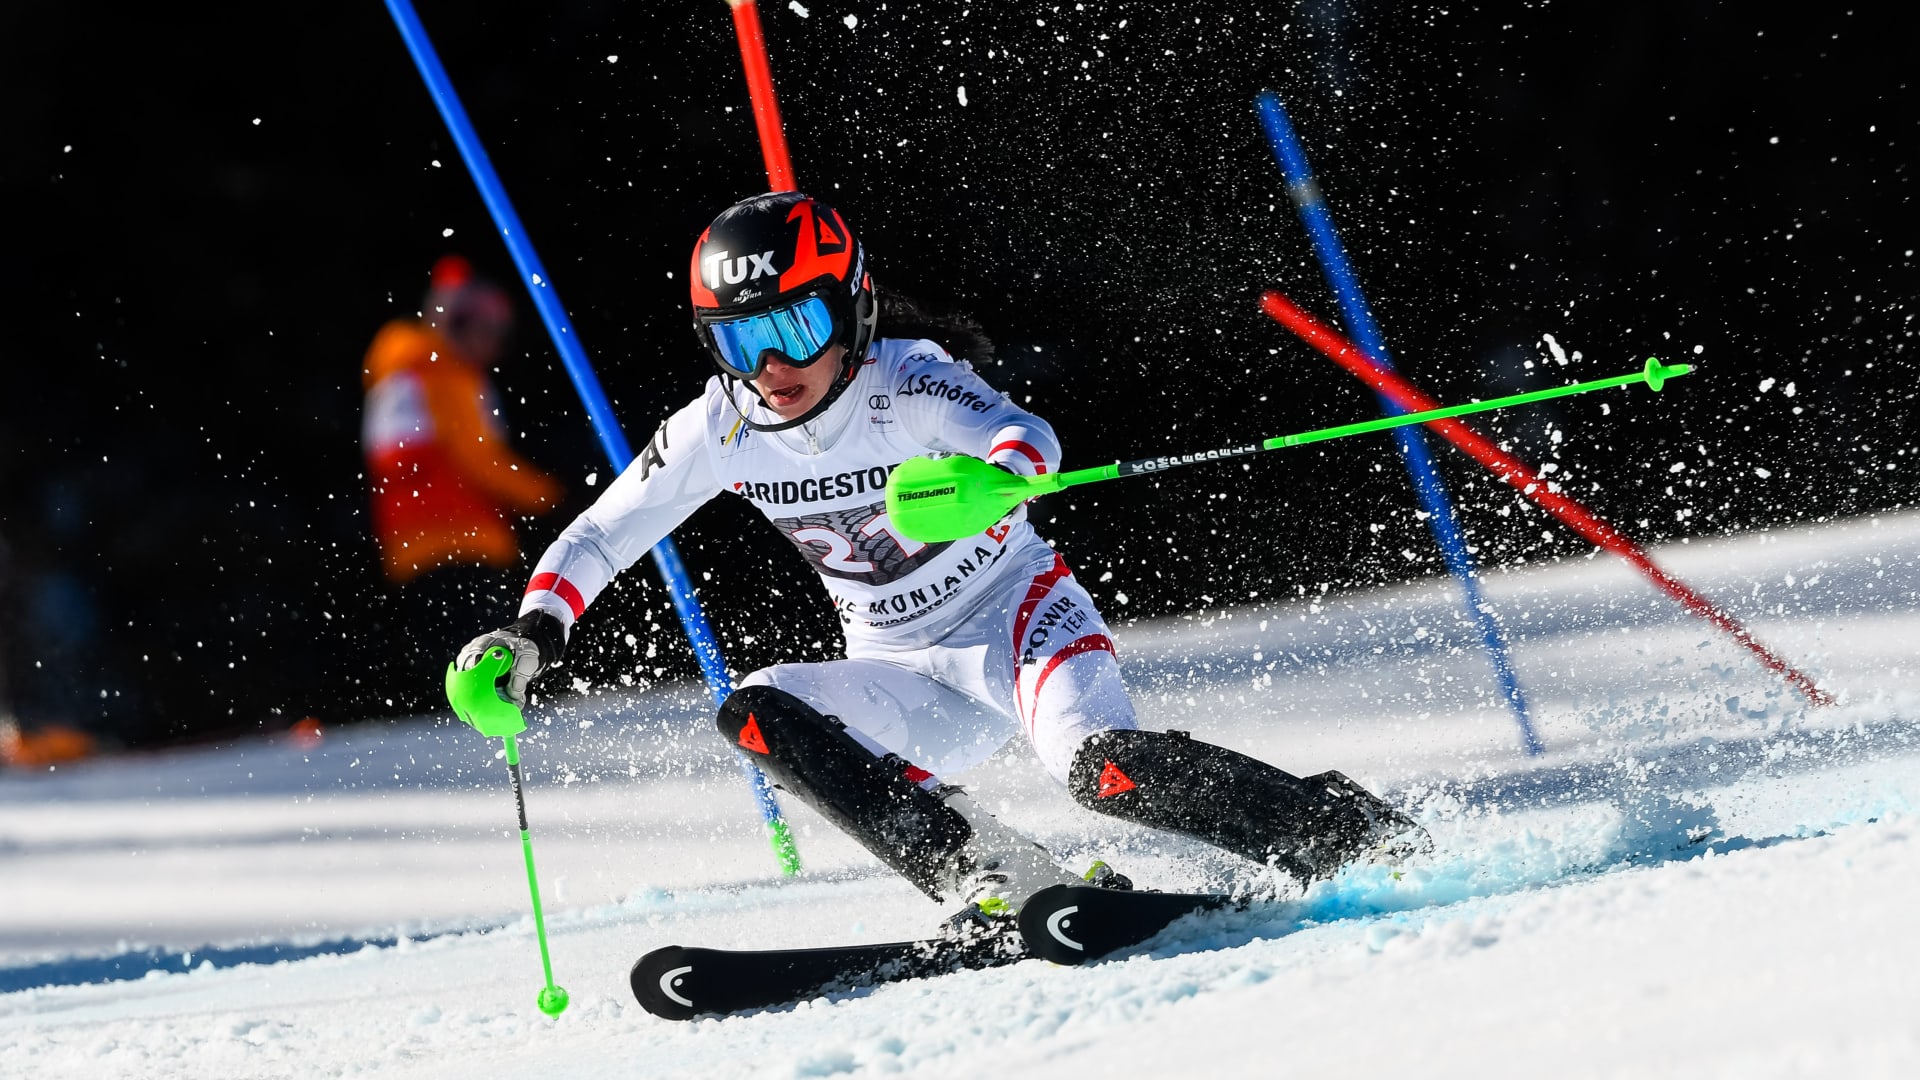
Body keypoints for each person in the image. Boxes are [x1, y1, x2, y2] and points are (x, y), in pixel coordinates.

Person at [456, 192, 1418, 931]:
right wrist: (534, 631)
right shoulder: (717, 428)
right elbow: (603, 533)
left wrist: (991, 481)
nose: (771, 368)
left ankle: (1345, 835)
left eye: (794, 328)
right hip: (901, 672)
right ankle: (989, 869)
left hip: (1021, 625)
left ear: (851, 308)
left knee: (1106, 773)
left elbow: (1025, 436)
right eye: (741, 341)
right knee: (753, 711)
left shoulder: (905, 377)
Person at [361, 255, 563, 586]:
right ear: (458, 325)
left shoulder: (402, 369)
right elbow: (477, 459)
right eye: (491, 332)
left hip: (411, 548)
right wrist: (552, 499)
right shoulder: (441, 372)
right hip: (462, 540)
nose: (496, 349)